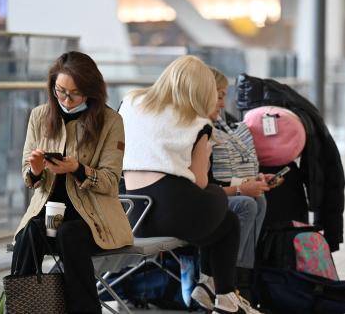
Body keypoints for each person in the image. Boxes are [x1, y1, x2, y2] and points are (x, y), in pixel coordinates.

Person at [119, 55, 262, 314]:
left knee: (228, 223)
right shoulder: (197, 123)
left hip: (134, 213)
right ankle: (222, 295)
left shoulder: (131, 102)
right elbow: (200, 181)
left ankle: (216, 293)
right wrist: (205, 155)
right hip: (174, 212)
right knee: (216, 194)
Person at [11, 51, 133, 314]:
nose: (66, 99)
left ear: (90, 90)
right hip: (47, 214)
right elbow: (28, 177)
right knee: (28, 234)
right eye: (60, 91)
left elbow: (111, 182)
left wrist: (78, 169)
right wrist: (35, 170)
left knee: (70, 235)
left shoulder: (111, 122)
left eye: (74, 93)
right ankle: (21, 308)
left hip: (93, 220)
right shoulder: (40, 116)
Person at [195, 68, 279, 304]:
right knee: (245, 204)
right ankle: (224, 283)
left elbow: (212, 182)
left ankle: (236, 282)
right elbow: (203, 187)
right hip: (193, 203)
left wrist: (251, 182)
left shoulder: (216, 126)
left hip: (200, 197)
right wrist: (243, 188)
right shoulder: (200, 131)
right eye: (219, 96)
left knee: (257, 200)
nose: (222, 104)